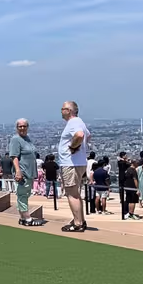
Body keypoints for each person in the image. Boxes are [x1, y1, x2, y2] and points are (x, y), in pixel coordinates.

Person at [58, 100, 91, 233]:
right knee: (75, 193)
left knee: (71, 194)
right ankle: (80, 219)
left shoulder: (73, 122)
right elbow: (88, 136)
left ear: (69, 111)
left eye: (63, 109)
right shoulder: (80, 122)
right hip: (79, 162)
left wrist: (73, 146)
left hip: (71, 163)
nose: (61, 111)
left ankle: (78, 223)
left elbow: (80, 135)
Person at [9, 118, 43, 226]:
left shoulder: (27, 138)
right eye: (20, 126)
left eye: (24, 126)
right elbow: (14, 156)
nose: (22, 128)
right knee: (23, 194)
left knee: (25, 194)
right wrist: (18, 171)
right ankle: (28, 218)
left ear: (27, 127)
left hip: (29, 172)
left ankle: (22, 217)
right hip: (22, 172)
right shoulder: (16, 139)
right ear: (17, 128)